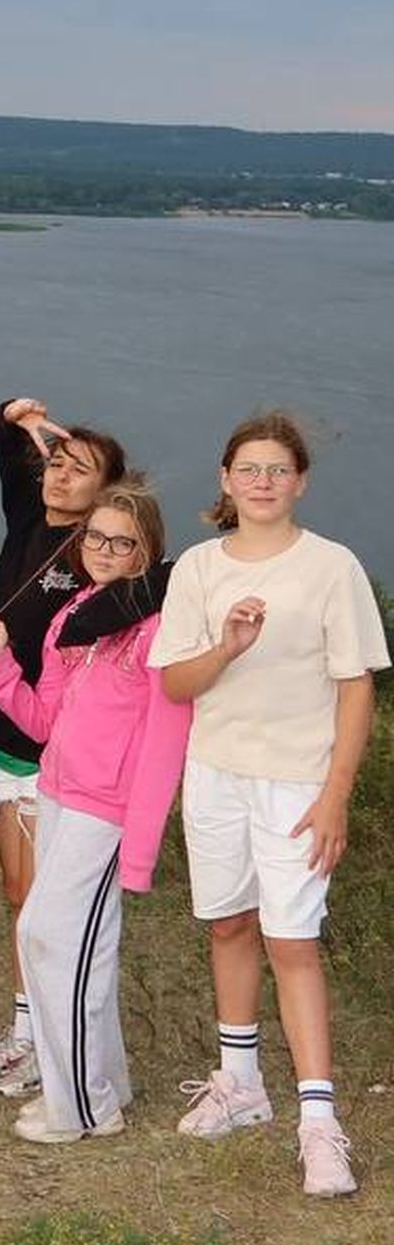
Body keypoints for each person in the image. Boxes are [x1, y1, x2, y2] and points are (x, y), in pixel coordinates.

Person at [151, 412, 388, 1198]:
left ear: (300, 482)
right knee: (229, 924)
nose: (262, 481)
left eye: (277, 469)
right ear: (225, 479)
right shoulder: (198, 569)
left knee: (292, 939)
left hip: (297, 781)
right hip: (216, 771)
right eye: (248, 468)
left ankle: (319, 1123)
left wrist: (336, 794)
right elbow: (176, 683)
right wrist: (227, 645)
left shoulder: (331, 566)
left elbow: (355, 687)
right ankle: (242, 1082)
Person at [0, 479, 189, 1140]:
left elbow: (165, 743)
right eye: (95, 537)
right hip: (58, 794)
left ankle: (79, 1109)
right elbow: (45, 722)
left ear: (147, 550)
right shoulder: (76, 616)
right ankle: (102, 1087)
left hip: (107, 810)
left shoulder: (158, 629)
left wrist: (140, 847)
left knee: (48, 935)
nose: (103, 550)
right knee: (82, 949)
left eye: (122, 542)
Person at [0, 397, 129, 1098]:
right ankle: (28, 1030)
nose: (60, 476)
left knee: (45, 903)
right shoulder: (32, 519)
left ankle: (52, 1039)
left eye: (80, 469)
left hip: (51, 747)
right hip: (4, 737)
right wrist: (15, 415)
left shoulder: (100, 555)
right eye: (56, 463)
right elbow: (2, 443)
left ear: (108, 489)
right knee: (18, 894)